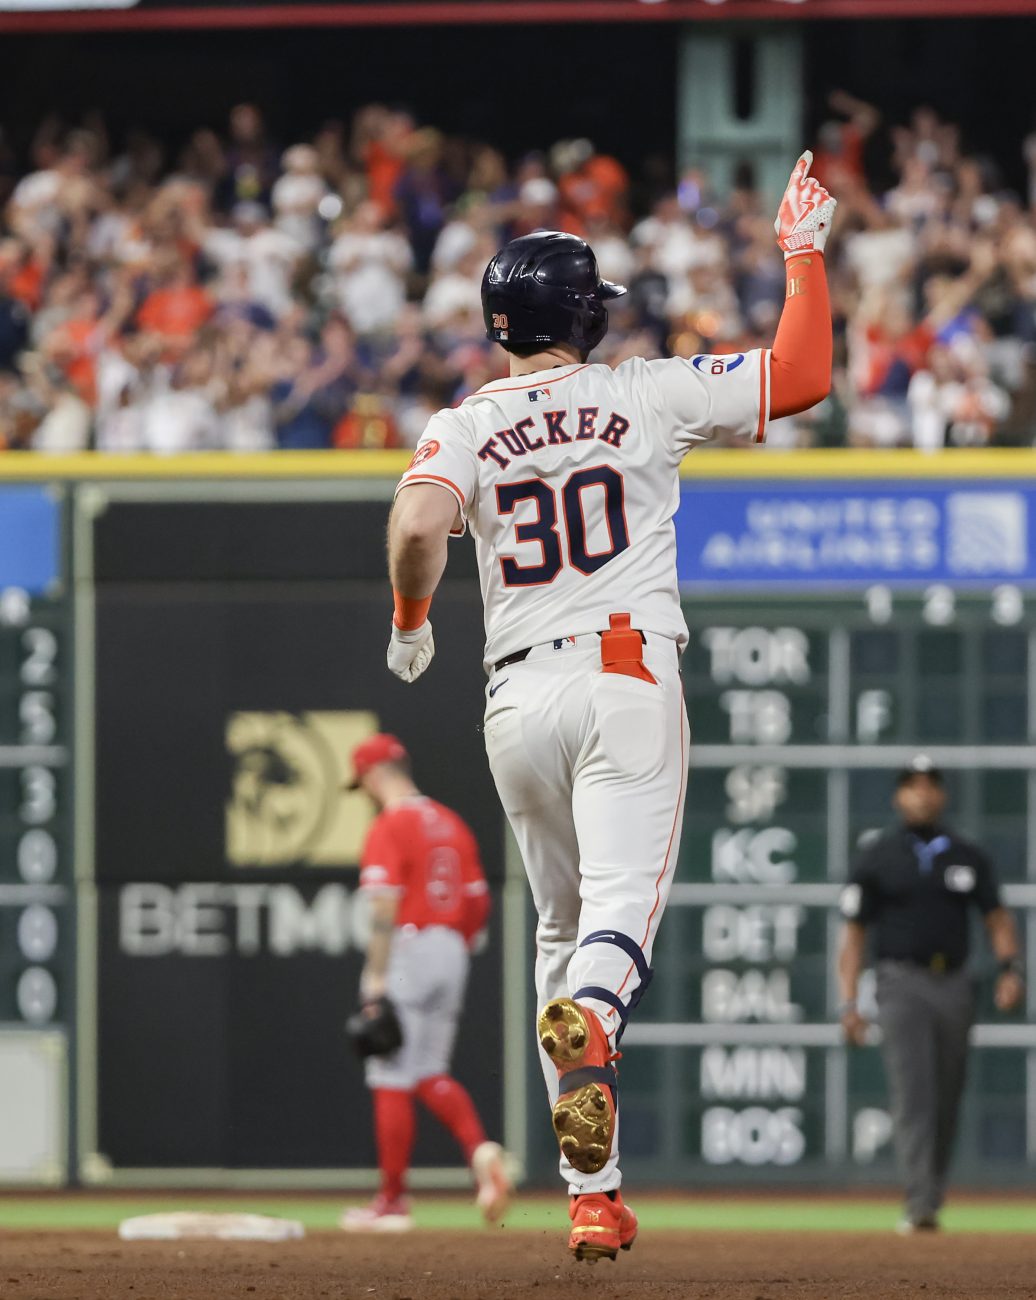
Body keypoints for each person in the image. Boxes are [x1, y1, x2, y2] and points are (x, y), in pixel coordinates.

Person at [382, 152, 837, 1260]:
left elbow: (412, 529)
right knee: (614, 925)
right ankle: (595, 1012)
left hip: (512, 698)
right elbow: (803, 373)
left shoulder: (461, 423)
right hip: (623, 674)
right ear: (582, 313)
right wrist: (802, 249)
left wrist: (408, 623)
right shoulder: (642, 390)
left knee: (555, 930)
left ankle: (594, 1194)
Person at [836, 756, 1025, 1234]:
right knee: (914, 1091)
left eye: (929, 785)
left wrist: (1010, 968)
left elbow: (998, 918)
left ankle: (931, 1194)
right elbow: (853, 933)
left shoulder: (966, 854)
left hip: (956, 983)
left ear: (941, 794)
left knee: (946, 1094)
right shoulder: (879, 854)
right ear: (899, 795)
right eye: (912, 785)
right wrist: (849, 1000)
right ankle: (920, 1200)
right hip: (901, 983)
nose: (921, 793)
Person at [341, 732, 512, 1233]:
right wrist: (452, 944)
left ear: (373, 775)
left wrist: (375, 979)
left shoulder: (390, 825)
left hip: (409, 947)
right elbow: (479, 902)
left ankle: (392, 1202)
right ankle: (481, 1152)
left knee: (389, 1075)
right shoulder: (452, 823)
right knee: (430, 1071)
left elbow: (384, 905)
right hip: (452, 949)